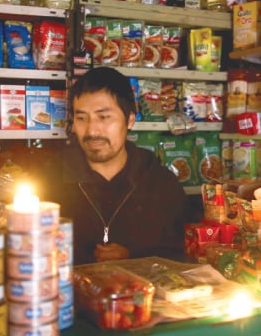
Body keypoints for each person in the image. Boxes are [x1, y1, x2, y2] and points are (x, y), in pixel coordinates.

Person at [39, 67, 191, 264]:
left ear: (129, 120)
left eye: (104, 117)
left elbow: (183, 252)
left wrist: (132, 257)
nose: (92, 130)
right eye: (82, 118)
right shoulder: (48, 181)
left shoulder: (160, 184)